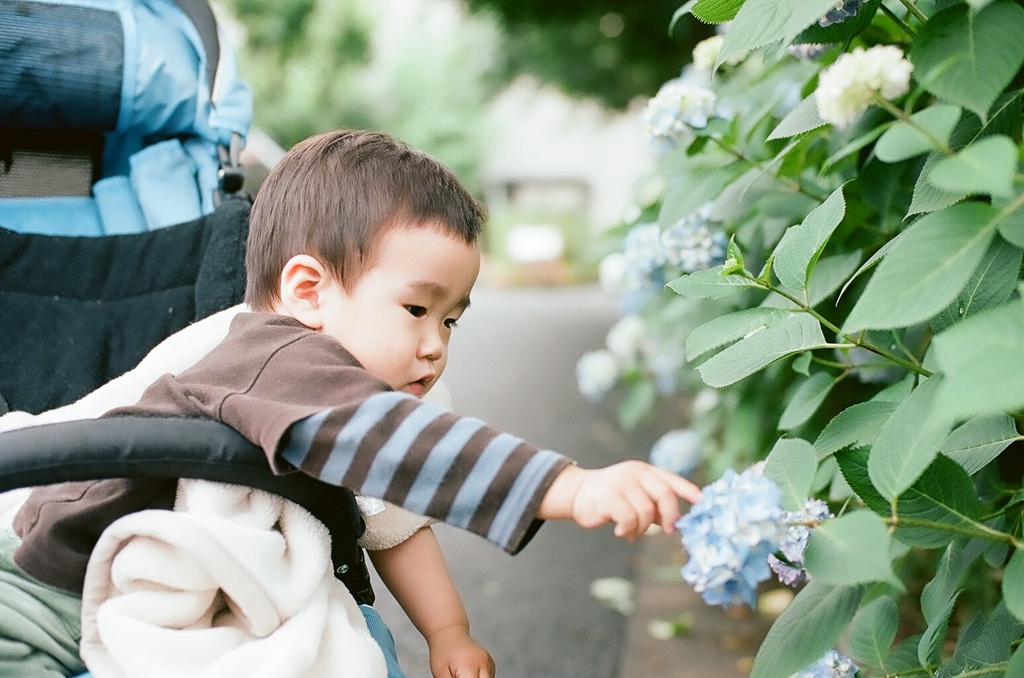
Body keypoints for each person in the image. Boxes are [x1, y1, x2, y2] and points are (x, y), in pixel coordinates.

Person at [11, 129, 701, 677]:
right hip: (37, 576)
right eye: (415, 308)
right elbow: (401, 445)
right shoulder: (276, 356)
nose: (435, 345)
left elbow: (394, 521)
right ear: (308, 291)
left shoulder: (363, 392)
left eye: (451, 320)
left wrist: (447, 630)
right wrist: (568, 486)